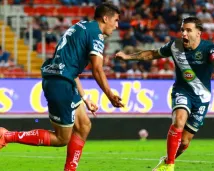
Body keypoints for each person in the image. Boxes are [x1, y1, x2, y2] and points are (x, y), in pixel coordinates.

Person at [0, 2, 124, 171]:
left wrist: (86, 98)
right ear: (105, 18)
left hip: (62, 79)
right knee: (61, 139)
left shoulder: (81, 27)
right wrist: (110, 95)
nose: (117, 25)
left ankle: (70, 169)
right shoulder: (96, 34)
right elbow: (97, 68)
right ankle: (7, 136)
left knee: (84, 125)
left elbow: (70, 67)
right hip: (61, 83)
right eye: (116, 20)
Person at [115, 16, 214, 171]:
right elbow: (152, 54)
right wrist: (128, 57)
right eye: (182, 30)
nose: (184, 34)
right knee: (178, 121)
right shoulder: (175, 46)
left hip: (202, 98)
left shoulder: (209, 48)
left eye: (188, 30)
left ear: (199, 32)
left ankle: (167, 161)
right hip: (182, 91)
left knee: (185, 142)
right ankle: (170, 166)